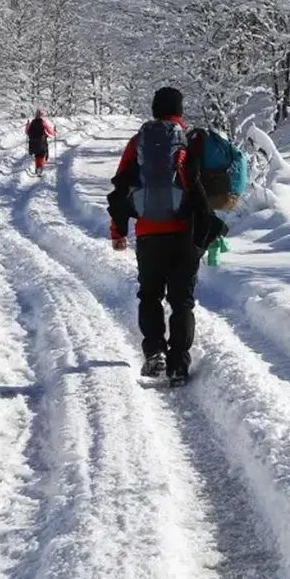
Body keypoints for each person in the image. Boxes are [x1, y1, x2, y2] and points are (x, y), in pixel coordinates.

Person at [106, 87, 224, 382]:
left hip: (148, 233)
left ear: (154, 109)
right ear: (180, 110)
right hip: (184, 233)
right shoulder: (194, 140)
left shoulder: (139, 142)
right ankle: (179, 364)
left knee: (150, 295)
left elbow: (120, 187)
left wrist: (118, 230)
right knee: (182, 300)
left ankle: (155, 352)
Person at [25, 109, 56, 175]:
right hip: (41, 142)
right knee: (42, 154)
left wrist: (27, 125)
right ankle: (40, 167)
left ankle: (38, 167)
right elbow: (50, 131)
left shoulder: (32, 122)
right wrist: (54, 132)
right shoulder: (43, 122)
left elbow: (27, 132)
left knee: (37, 154)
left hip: (32, 143)